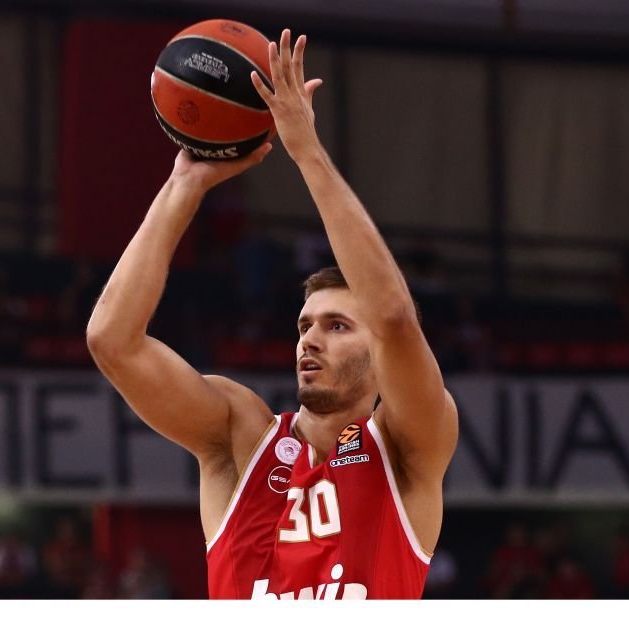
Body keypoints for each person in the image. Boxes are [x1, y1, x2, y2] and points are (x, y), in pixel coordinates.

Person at [87, 29, 457, 600]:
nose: (310, 339)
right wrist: (183, 185)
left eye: (337, 326)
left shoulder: (409, 448)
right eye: (305, 325)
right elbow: (112, 341)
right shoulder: (239, 435)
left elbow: (393, 316)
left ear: (380, 357)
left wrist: (306, 151)